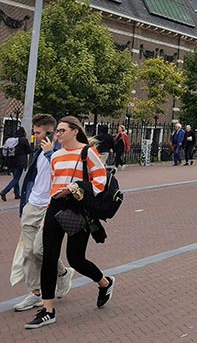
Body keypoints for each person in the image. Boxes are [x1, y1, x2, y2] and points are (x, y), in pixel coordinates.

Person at [26, 116, 113, 329]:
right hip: (55, 207)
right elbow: (54, 182)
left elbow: (100, 182)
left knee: (75, 258)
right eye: (57, 131)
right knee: (49, 257)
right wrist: (51, 203)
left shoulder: (87, 152)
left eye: (62, 131)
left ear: (75, 131)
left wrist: (75, 189)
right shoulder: (55, 156)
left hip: (78, 207)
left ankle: (104, 282)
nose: (57, 134)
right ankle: (48, 310)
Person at [12, 114, 73, 313]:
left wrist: (49, 153)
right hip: (33, 204)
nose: (35, 136)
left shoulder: (63, 151)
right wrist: (26, 203)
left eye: (38, 133)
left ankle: (62, 274)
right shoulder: (39, 151)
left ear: (50, 132)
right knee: (28, 253)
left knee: (40, 250)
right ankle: (35, 292)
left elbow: (63, 174)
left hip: (50, 207)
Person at [1, 126, 30, 201]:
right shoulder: (23, 140)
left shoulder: (12, 140)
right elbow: (29, 150)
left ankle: (17, 194)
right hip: (19, 162)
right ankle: (4, 191)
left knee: (15, 177)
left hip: (10, 162)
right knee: (16, 178)